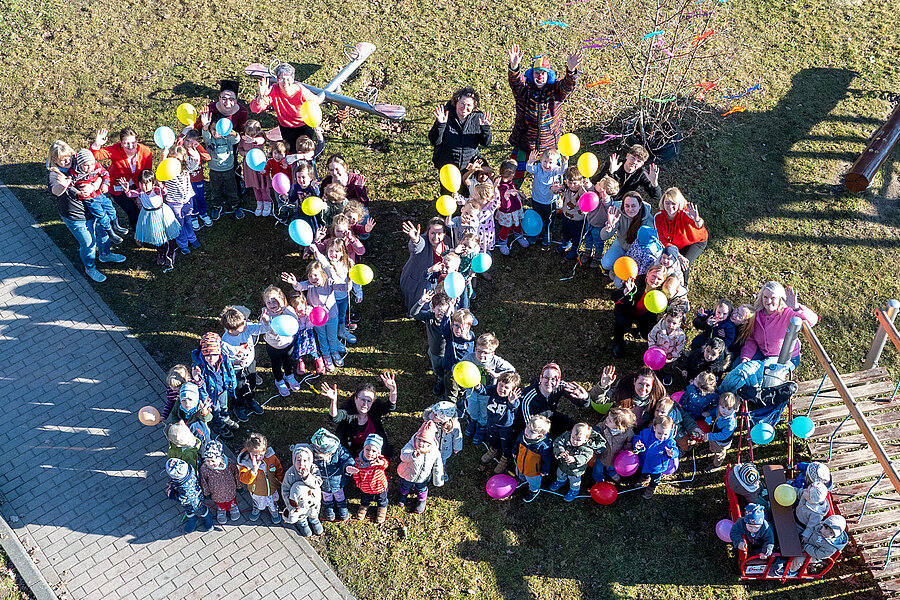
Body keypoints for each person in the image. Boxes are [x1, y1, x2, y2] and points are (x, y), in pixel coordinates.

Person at [46, 140, 123, 282]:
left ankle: (105, 255)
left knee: (103, 233)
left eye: (68, 157)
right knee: (89, 244)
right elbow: (55, 191)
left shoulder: (78, 160)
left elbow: (98, 170)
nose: (67, 161)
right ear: (54, 160)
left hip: (93, 206)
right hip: (77, 216)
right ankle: (90, 268)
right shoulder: (54, 174)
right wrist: (64, 186)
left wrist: (94, 185)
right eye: (62, 159)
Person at [506, 44, 582, 185]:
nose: (540, 76)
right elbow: (515, 83)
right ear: (532, 74)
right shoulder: (524, 90)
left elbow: (567, 86)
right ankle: (510, 195)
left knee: (553, 182)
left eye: (543, 73)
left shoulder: (556, 91)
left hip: (550, 145)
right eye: (536, 73)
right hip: (525, 143)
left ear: (548, 75)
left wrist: (571, 70)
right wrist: (514, 67)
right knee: (512, 177)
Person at [282, 256, 350, 371]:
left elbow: (344, 288)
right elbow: (299, 286)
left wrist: (349, 280)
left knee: (332, 336)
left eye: (315, 275)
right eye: (310, 276)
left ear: (322, 274)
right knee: (322, 337)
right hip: (317, 319)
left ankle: (334, 352)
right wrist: (294, 283)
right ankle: (326, 356)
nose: (312, 278)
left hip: (331, 316)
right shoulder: (309, 284)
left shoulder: (329, 283)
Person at [429, 87, 493, 195]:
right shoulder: (445, 115)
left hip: (468, 166)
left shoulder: (478, 118)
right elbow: (434, 140)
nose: (464, 108)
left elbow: (486, 143)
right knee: (448, 193)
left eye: (469, 105)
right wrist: (440, 125)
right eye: (462, 104)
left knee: (466, 194)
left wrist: (485, 129)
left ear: (473, 107)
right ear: (456, 102)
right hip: (448, 166)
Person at [740, 281, 819, 369]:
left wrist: (796, 308)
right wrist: (746, 357)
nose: (768, 301)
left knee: (764, 373)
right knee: (739, 368)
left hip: (785, 358)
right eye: (765, 297)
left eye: (773, 298)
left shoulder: (788, 312)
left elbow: (812, 320)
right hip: (762, 353)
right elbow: (751, 339)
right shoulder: (757, 315)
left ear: (780, 299)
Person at [91, 127, 154, 230]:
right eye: (126, 143)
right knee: (132, 211)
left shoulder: (145, 151)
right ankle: (137, 233)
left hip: (138, 184)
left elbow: (147, 174)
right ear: (121, 143)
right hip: (118, 186)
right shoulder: (115, 150)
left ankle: (147, 230)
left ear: (137, 141)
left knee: (144, 208)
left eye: (133, 142)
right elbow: (95, 155)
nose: (130, 146)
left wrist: (141, 192)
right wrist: (97, 144)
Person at [324, 372, 398, 458]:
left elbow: (390, 407)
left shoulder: (375, 410)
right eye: (362, 399)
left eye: (369, 401)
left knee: (386, 453)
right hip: (350, 443)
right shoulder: (349, 411)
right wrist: (333, 401)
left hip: (373, 443)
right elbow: (334, 417)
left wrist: (393, 390)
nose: (365, 404)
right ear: (355, 399)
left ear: (373, 402)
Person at [250, 63, 320, 153]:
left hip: (303, 125)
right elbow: (255, 109)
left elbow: (316, 102)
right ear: (277, 80)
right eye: (282, 79)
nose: (285, 83)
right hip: (286, 127)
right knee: (291, 151)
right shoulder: (274, 90)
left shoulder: (302, 92)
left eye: (288, 79)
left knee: (305, 151)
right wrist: (261, 96)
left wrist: (316, 123)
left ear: (293, 79)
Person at [460, 333, 515, 443]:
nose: (481, 355)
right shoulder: (470, 358)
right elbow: (457, 368)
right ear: (475, 349)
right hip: (471, 391)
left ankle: (481, 426)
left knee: (484, 412)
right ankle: (473, 421)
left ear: (492, 353)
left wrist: (497, 375)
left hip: (487, 394)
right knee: (472, 408)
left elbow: (511, 370)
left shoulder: (496, 361)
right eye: (479, 351)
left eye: (486, 352)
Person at [122, 171, 180, 271]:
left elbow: (164, 192)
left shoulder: (156, 190)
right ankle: (161, 252)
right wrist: (126, 190)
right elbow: (131, 194)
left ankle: (170, 252)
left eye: (146, 184)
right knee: (155, 234)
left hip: (161, 214)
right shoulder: (140, 191)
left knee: (166, 233)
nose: (144, 186)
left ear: (153, 183)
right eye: (141, 183)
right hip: (148, 215)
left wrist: (162, 186)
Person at [610, 264, 667, 358]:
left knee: (647, 334)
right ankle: (618, 341)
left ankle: (640, 330)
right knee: (622, 324)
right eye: (653, 276)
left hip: (645, 315)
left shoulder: (662, 291)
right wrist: (626, 291)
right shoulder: (635, 282)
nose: (655, 280)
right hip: (627, 311)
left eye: (659, 279)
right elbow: (614, 297)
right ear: (648, 273)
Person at [518, 363, 590, 436]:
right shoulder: (529, 397)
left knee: (578, 429)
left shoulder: (560, 386)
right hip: (535, 426)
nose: (549, 382)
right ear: (541, 378)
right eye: (546, 378)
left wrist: (585, 398)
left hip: (551, 418)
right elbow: (528, 427)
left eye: (553, 379)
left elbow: (583, 404)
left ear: (558, 381)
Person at [600, 191, 656, 286]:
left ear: (640, 205)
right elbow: (603, 237)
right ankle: (616, 269)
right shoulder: (618, 213)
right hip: (621, 244)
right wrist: (609, 227)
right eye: (627, 206)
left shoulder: (648, 222)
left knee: (618, 284)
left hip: (636, 253)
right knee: (606, 263)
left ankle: (618, 272)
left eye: (633, 206)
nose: (630, 209)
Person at [68, 149, 123, 245]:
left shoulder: (96, 166)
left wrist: (105, 183)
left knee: (110, 207)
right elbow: (69, 186)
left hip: (99, 193)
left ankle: (116, 225)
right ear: (80, 165)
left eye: (91, 164)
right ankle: (110, 232)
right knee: (101, 215)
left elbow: (105, 173)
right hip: (89, 198)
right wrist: (78, 192)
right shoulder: (74, 173)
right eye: (86, 165)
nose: (90, 167)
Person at [654, 187, 709, 282]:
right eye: (667, 203)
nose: (670, 207)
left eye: (673, 203)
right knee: (664, 262)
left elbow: (698, 225)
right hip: (676, 245)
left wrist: (696, 219)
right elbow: (662, 240)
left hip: (695, 242)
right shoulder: (658, 217)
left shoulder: (685, 213)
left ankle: (684, 286)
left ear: (679, 204)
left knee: (682, 265)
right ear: (663, 203)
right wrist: (678, 255)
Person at [191, 332, 239, 440]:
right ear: (203, 354)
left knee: (224, 405)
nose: (211, 358)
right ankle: (219, 425)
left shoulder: (224, 358)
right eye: (207, 355)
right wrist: (197, 380)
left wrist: (233, 383)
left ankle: (225, 418)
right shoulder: (199, 367)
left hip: (223, 389)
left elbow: (230, 370)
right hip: (210, 395)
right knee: (215, 410)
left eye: (214, 355)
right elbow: (200, 385)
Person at [220, 306, 265, 421]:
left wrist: (266, 322)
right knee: (238, 388)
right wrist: (236, 361)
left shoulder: (247, 327)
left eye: (245, 322)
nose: (245, 324)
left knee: (252, 382)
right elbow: (223, 360)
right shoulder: (225, 342)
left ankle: (251, 399)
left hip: (250, 363)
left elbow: (263, 329)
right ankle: (238, 405)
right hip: (236, 369)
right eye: (242, 325)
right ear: (231, 330)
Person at [589, 365, 667, 430]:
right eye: (640, 383)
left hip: (643, 430)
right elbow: (597, 399)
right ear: (634, 382)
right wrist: (603, 385)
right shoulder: (623, 390)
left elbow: (669, 410)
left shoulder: (658, 395)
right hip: (618, 427)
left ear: (653, 386)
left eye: (648, 385)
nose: (643, 389)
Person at [258, 285, 303, 393]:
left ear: (281, 299)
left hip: (288, 344)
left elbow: (295, 320)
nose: (272, 305)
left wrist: (283, 307)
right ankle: (279, 380)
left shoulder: (288, 310)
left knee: (288, 361)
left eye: (275, 301)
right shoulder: (265, 314)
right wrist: (266, 322)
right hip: (273, 346)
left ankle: (289, 375)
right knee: (276, 364)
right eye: (269, 302)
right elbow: (262, 329)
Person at [199, 108, 241, 219]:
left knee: (232, 189)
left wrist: (230, 131)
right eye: (213, 129)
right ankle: (216, 206)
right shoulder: (209, 140)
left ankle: (235, 205)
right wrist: (205, 127)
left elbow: (236, 139)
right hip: (214, 171)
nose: (216, 133)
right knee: (215, 190)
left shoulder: (227, 138)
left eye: (219, 129)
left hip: (229, 170)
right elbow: (205, 136)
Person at [400, 218, 450, 311]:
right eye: (433, 233)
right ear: (428, 233)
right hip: (419, 283)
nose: (436, 237)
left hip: (439, 282)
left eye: (439, 233)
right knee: (421, 307)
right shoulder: (423, 241)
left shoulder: (448, 242)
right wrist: (415, 239)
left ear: (444, 234)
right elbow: (417, 247)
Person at [410, 290, 453, 396]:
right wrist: (421, 302)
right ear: (433, 308)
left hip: (447, 352)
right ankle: (440, 379)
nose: (442, 313)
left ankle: (446, 382)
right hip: (434, 352)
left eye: (445, 311)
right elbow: (413, 314)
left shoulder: (451, 320)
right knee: (437, 369)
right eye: (439, 310)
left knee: (447, 370)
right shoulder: (429, 317)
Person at [396, 421, 443, 514]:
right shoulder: (411, 446)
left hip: (423, 477)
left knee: (422, 488)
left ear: (430, 443)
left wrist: (438, 480)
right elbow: (403, 456)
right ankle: (403, 494)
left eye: (424, 441)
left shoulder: (434, 452)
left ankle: (421, 500)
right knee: (405, 485)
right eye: (419, 439)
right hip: (408, 474)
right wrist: (412, 455)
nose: (421, 443)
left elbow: (438, 466)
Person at [237, 432, 284, 523]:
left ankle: (273, 508)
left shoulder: (271, 458)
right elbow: (243, 479)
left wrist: (280, 479)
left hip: (271, 488)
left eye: (261, 454)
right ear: (249, 452)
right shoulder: (246, 464)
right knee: (258, 501)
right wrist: (254, 470)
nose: (258, 457)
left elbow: (278, 468)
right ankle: (257, 507)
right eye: (255, 455)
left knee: (273, 499)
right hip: (257, 491)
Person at [308, 428, 354, 522]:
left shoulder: (338, 449)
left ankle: (342, 507)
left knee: (339, 495)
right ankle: (329, 508)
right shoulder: (313, 454)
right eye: (329, 453)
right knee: (326, 497)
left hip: (337, 481)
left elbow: (346, 458)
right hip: (323, 483)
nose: (332, 453)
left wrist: (348, 467)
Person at [550, 422, 604, 502]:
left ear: (585, 440)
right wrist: (561, 451)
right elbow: (557, 442)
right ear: (571, 432)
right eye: (573, 437)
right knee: (560, 473)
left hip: (575, 470)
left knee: (574, 481)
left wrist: (575, 459)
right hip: (563, 465)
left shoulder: (587, 448)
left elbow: (585, 457)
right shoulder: (566, 436)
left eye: (578, 440)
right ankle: (561, 481)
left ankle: (574, 490)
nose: (574, 441)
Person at [160, 146, 199, 255]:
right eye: (172, 158)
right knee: (179, 224)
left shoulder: (185, 169)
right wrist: (163, 156)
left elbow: (195, 163)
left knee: (188, 220)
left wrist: (195, 155)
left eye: (178, 159)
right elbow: (160, 169)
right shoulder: (167, 171)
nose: (175, 161)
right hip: (175, 202)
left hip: (187, 200)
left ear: (183, 158)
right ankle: (183, 244)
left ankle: (192, 238)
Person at [481, 371, 522, 475]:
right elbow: (483, 390)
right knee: (491, 437)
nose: (502, 389)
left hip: (505, 427)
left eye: (506, 387)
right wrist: (477, 385)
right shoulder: (494, 390)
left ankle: (505, 458)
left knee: (506, 443)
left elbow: (515, 406)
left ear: (513, 390)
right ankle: (494, 449)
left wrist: (511, 401)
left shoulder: (513, 398)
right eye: (501, 385)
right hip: (491, 421)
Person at [781, 516, 848, 577]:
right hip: (808, 544)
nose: (826, 534)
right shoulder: (819, 527)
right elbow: (811, 530)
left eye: (831, 533)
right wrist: (806, 537)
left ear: (836, 534)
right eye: (825, 529)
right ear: (823, 525)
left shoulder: (831, 546)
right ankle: (783, 558)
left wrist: (806, 547)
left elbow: (819, 554)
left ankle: (790, 571)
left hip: (815, 556)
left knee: (799, 559)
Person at [525, 148, 567, 246]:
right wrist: (530, 161)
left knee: (549, 220)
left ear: (556, 163)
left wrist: (565, 163)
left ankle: (548, 234)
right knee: (537, 217)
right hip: (536, 200)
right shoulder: (538, 168)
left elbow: (562, 171)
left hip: (549, 202)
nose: (547, 165)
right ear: (540, 160)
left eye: (550, 162)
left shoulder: (555, 170)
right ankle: (535, 232)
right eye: (545, 161)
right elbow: (529, 169)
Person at [594, 144, 661, 204]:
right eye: (633, 158)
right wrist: (610, 172)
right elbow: (596, 182)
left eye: (638, 161)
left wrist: (654, 183)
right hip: (603, 197)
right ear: (627, 156)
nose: (634, 162)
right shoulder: (615, 165)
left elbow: (656, 197)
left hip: (620, 203)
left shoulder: (642, 174)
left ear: (641, 164)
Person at [280, 444, 323, 536]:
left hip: (312, 501)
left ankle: (314, 520)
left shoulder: (314, 469)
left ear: (310, 461)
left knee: (313, 512)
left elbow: (318, 483)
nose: (301, 464)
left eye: (305, 460)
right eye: (298, 460)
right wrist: (291, 505)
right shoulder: (290, 474)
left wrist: (307, 477)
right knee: (300, 514)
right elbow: (285, 490)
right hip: (298, 504)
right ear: (294, 461)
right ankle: (303, 524)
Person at [632, 414, 678, 499]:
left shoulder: (669, 441)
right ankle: (645, 478)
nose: (662, 437)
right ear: (654, 428)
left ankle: (651, 488)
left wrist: (672, 453)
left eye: (665, 434)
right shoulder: (646, 433)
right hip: (644, 462)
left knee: (655, 479)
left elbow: (675, 450)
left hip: (657, 467)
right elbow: (637, 438)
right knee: (644, 473)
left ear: (670, 430)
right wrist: (637, 443)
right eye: (659, 433)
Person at [346, 434, 390, 523]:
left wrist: (381, 463)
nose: (370, 453)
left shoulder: (379, 460)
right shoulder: (358, 461)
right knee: (365, 498)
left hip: (379, 486)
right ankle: (364, 506)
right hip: (365, 487)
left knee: (381, 499)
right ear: (363, 448)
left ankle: (382, 508)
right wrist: (359, 483)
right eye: (367, 449)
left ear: (378, 453)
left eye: (374, 451)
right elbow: (356, 474)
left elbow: (386, 464)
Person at [198, 439, 242, 524]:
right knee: (219, 502)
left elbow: (236, 474)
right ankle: (221, 509)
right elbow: (203, 482)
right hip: (216, 492)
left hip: (230, 489)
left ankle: (233, 506)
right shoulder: (204, 468)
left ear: (220, 458)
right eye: (207, 461)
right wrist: (206, 493)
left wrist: (239, 486)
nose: (210, 463)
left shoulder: (229, 463)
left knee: (232, 499)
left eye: (213, 461)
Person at [441, 308, 477, 411]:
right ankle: (450, 406)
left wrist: (465, 335)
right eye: (456, 325)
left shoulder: (469, 337)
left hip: (465, 370)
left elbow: (470, 339)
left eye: (463, 327)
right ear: (452, 325)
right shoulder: (450, 335)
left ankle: (461, 398)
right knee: (451, 388)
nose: (458, 330)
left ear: (468, 328)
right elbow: (443, 327)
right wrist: (448, 310)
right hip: (450, 368)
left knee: (462, 387)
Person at [165, 458, 213, 533]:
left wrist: (171, 494)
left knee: (199, 509)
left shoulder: (184, 489)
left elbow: (182, 499)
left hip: (193, 503)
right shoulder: (190, 470)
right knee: (193, 509)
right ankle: (194, 517)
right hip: (198, 493)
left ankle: (206, 516)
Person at [581, 175, 619, 267]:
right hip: (589, 222)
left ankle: (597, 256)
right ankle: (587, 250)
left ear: (603, 190)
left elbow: (607, 203)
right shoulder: (594, 194)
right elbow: (591, 189)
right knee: (588, 237)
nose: (596, 183)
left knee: (598, 241)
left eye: (599, 183)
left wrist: (605, 198)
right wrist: (588, 184)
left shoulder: (608, 201)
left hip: (599, 226)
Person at [513, 414, 553, 502]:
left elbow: (546, 460)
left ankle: (534, 490)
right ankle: (521, 480)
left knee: (533, 482)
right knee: (519, 472)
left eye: (532, 432)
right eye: (527, 427)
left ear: (540, 436)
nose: (527, 432)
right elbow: (517, 442)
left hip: (533, 471)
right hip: (520, 462)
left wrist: (544, 471)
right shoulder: (523, 436)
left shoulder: (543, 446)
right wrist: (515, 451)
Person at [591, 406, 635, 484]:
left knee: (612, 466)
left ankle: (611, 472)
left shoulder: (627, 433)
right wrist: (595, 431)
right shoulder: (604, 425)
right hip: (603, 454)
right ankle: (598, 478)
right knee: (598, 468)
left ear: (619, 426)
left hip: (615, 455)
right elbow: (598, 427)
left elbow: (629, 442)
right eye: (608, 417)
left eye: (610, 420)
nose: (606, 419)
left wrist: (625, 452)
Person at [422, 401, 462, 486]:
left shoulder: (454, 426)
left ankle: (440, 471)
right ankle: (428, 472)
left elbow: (457, 437)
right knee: (428, 461)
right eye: (433, 413)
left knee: (441, 462)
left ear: (443, 419)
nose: (432, 415)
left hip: (445, 450)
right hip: (431, 448)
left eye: (435, 415)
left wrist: (457, 447)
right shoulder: (430, 421)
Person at [555, 166, 590, 260]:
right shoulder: (566, 186)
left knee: (576, 235)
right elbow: (558, 190)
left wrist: (585, 208)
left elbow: (588, 202)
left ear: (581, 181)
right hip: (566, 215)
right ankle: (566, 243)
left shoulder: (582, 191)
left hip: (577, 219)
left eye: (575, 183)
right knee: (565, 231)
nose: (572, 185)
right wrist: (555, 189)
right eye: (570, 182)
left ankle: (575, 248)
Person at [494, 159, 528, 255]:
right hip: (508, 212)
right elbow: (506, 206)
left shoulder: (509, 181)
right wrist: (506, 196)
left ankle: (518, 235)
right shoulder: (502, 187)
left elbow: (513, 188)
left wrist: (519, 193)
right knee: (506, 227)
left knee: (517, 223)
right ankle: (502, 241)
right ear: (512, 174)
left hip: (515, 208)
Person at [180, 129, 212, 230]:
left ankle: (203, 213)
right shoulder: (181, 148)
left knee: (200, 197)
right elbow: (178, 141)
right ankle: (193, 216)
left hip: (198, 178)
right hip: (186, 180)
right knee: (191, 199)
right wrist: (182, 135)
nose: (188, 144)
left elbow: (207, 158)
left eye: (192, 141)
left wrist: (197, 146)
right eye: (187, 140)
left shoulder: (196, 148)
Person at [238, 119, 271, 217]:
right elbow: (240, 149)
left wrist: (253, 140)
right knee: (255, 185)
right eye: (249, 134)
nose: (250, 136)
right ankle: (259, 202)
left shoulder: (259, 138)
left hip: (260, 164)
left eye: (253, 134)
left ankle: (267, 202)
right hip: (249, 166)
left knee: (263, 185)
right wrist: (245, 153)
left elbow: (262, 141)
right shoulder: (243, 139)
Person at [702, 392, 738, 470]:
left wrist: (709, 436)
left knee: (719, 454)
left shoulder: (730, 423)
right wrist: (709, 413)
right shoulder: (719, 410)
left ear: (734, 409)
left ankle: (716, 465)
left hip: (721, 443)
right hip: (714, 435)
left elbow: (723, 436)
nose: (725, 411)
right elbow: (715, 410)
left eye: (729, 409)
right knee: (712, 443)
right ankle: (711, 450)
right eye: (723, 407)